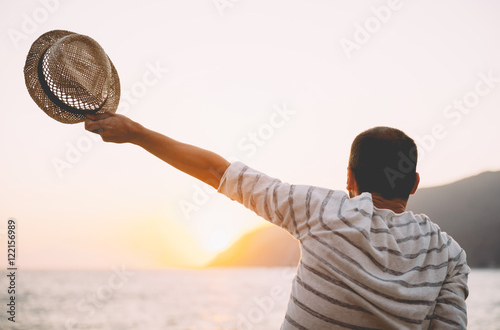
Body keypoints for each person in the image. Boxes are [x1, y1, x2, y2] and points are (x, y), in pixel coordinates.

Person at [84, 112, 469, 330]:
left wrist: (135, 133)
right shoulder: (450, 255)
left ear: (349, 179)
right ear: (414, 183)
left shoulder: (320, 210)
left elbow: (216, 170)